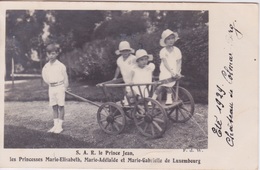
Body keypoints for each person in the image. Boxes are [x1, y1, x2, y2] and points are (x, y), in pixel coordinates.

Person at [42, 43, 69, 134]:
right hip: (52, 88)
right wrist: (50, 84)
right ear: (47, 54)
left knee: (61, 106)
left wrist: (65, 87)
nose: (51, 55)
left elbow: (65, 77)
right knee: (54, 106)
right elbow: (45, 77)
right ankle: (55, 125)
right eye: (49, 53)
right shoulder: (46, 66)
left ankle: (60, 126)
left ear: (57, 54)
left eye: (53, 53)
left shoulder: (60, 65)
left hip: (60, 87)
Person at [151, 29, 182, 105]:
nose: (171, 40)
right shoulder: (163, 51)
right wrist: (171, 72)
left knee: (169, 86)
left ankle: (169, 98)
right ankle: (152, 99)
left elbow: (179, 62)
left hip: (174, 71)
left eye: (172, 38)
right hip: (165, 71)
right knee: (161, 86)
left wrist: (177, 72)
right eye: (168, 39)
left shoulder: (177, 50)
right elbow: (165, 63)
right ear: (165, 41)